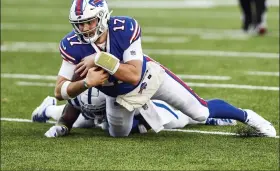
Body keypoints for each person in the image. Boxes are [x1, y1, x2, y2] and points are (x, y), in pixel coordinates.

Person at [49, 0, 276, 138]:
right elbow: (59, 90)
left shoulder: (124, 28)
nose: (85, 29)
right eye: (80, 24)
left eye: (89, 22)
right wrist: (85, 83)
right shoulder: (71, 43)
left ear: (103, 16)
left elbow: (134, 75)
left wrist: (100, 59)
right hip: (117, 97)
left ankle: (249, 116)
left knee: (200, 111)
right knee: (118, 133)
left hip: (149, 79)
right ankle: (140, 115)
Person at [31, 90, 237, 136]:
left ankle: (210, 118)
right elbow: (73, 108)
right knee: (84, 121)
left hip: (140, 107)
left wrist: (141, 127)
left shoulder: (115, 89)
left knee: (178, 120)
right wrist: (62, 126)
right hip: (101, 113)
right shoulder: (80, 93)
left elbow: (139, 115)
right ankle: (47, 108)